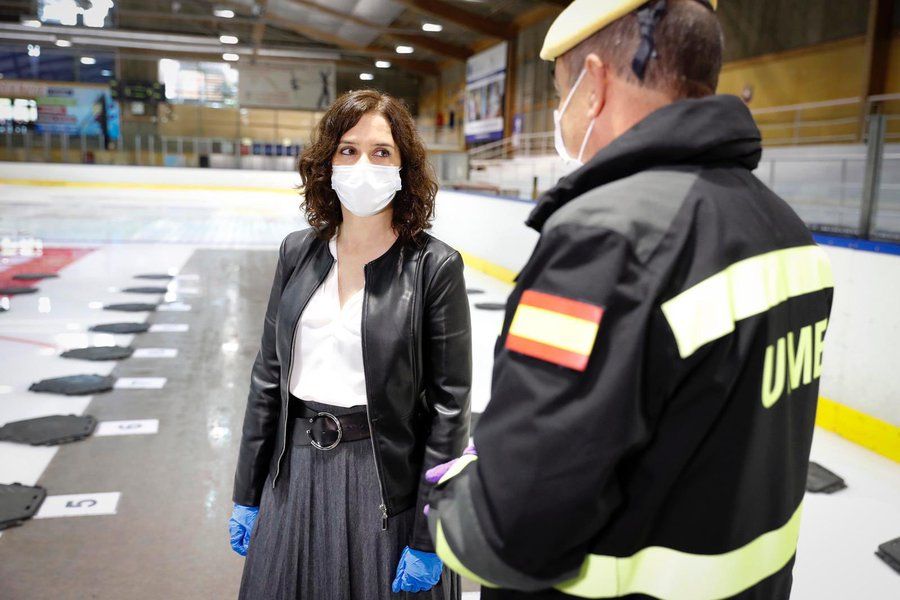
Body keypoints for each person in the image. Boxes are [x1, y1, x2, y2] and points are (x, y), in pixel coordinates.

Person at [425, 1, 834, 599]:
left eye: (561, 91)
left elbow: (511, 533)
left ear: (592, 84)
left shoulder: (609, 237)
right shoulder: (785, 230)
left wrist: (455, 497)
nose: (562, 115)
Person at [230, 89, 471, 600]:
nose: (364, 163)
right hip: (293, 475)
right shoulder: (298, 252)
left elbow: (450, 409)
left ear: (404, 167)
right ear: (327, 162)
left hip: (383, 483)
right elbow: (268, 375)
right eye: (348, 149)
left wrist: (430, 533)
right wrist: (247, 492)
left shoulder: (434, 267)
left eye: (381, 151)